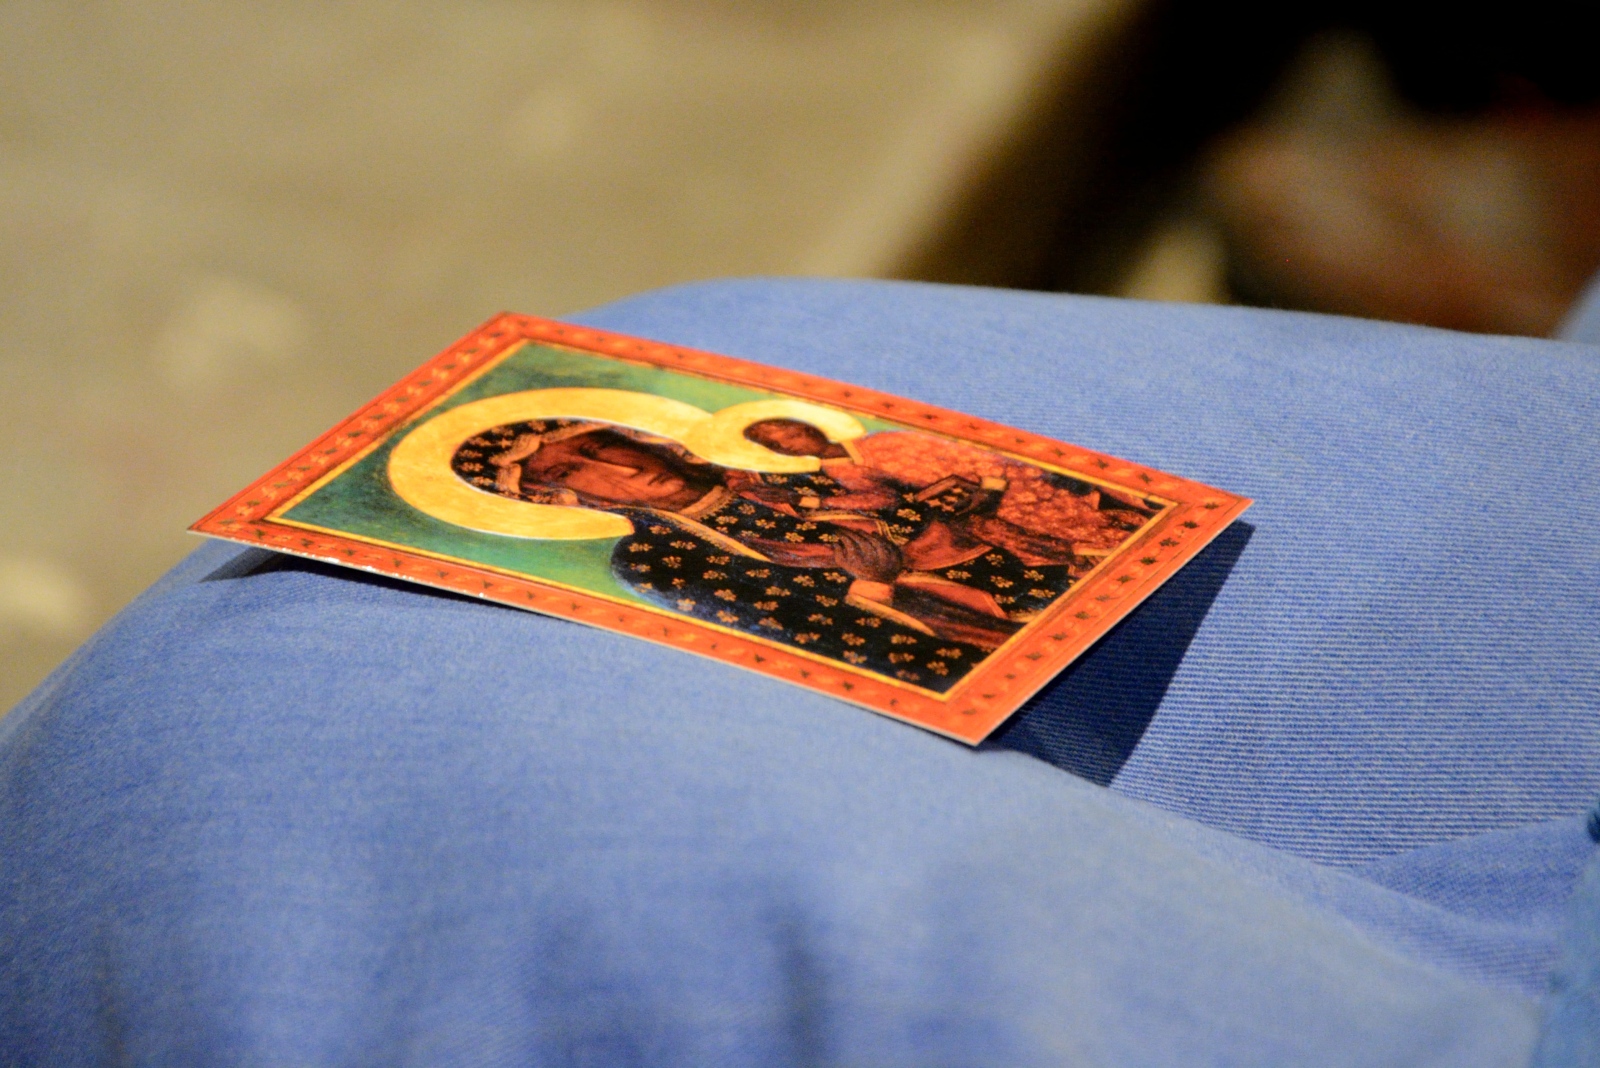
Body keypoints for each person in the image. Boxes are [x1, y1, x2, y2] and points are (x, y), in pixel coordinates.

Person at [451, 418, 1153, 689]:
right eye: (574, 469)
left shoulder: (774, 472)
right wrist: (876, 585)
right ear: (553, 497)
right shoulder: (660, 562)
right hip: (1021, 658)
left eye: (605, 446)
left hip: (1085, 575)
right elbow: (813, 644)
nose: (622, 468)